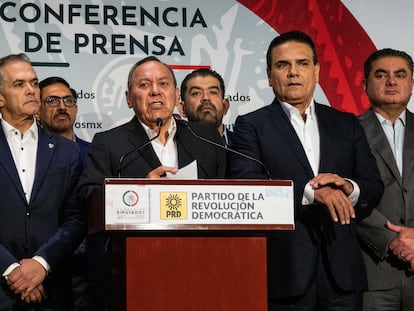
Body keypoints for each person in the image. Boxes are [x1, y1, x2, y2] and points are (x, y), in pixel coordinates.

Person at [229, 30, 383, 310]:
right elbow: (248, 185)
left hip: (343, 275)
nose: (293, 73)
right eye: (282, 65)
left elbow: (372, 185)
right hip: (286, 272)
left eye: (302, 64)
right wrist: (312, 193)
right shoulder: (251, 125)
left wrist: (348, 187)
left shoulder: (345, 123)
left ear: (317, 71)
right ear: (268, 75)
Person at [77, 55, 227, 310]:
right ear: (128, 98)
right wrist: (139, 191)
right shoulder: (110, 143)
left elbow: (226, 194)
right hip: (134, 270)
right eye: (144, 85)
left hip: (201, 266)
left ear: (176, 94)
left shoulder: (206, 139)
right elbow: (88, 197)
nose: (156, 91)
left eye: (164, 84)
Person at [0, 54, 84, 310]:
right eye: (19, 84)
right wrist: (12, 269)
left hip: (52, 288)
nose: (31, 91)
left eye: (34, 83)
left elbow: (76, 218)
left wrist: (41, 264)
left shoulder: (67, 151)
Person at [357, 48, 414, 310]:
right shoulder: (346, 131)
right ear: (365, 84)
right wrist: (392, 240)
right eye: (381, 75)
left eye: (400, 75)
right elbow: (348, 195)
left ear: (411, 84)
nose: (392, 81)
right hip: (373, 272)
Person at [38, 77, 91, 311]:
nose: (62, 107)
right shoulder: (26, 158)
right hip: (42, 266)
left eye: (68, 100)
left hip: (88, 268)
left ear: (76, 107)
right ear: (37, 110)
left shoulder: (96, 154)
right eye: (52, 100)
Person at [178, 68, 233, 146]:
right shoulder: (172, 147)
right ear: (183, 109)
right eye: (196, 93)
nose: (206, 98)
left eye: (213, 92)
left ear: (225, 106)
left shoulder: (245, 146)